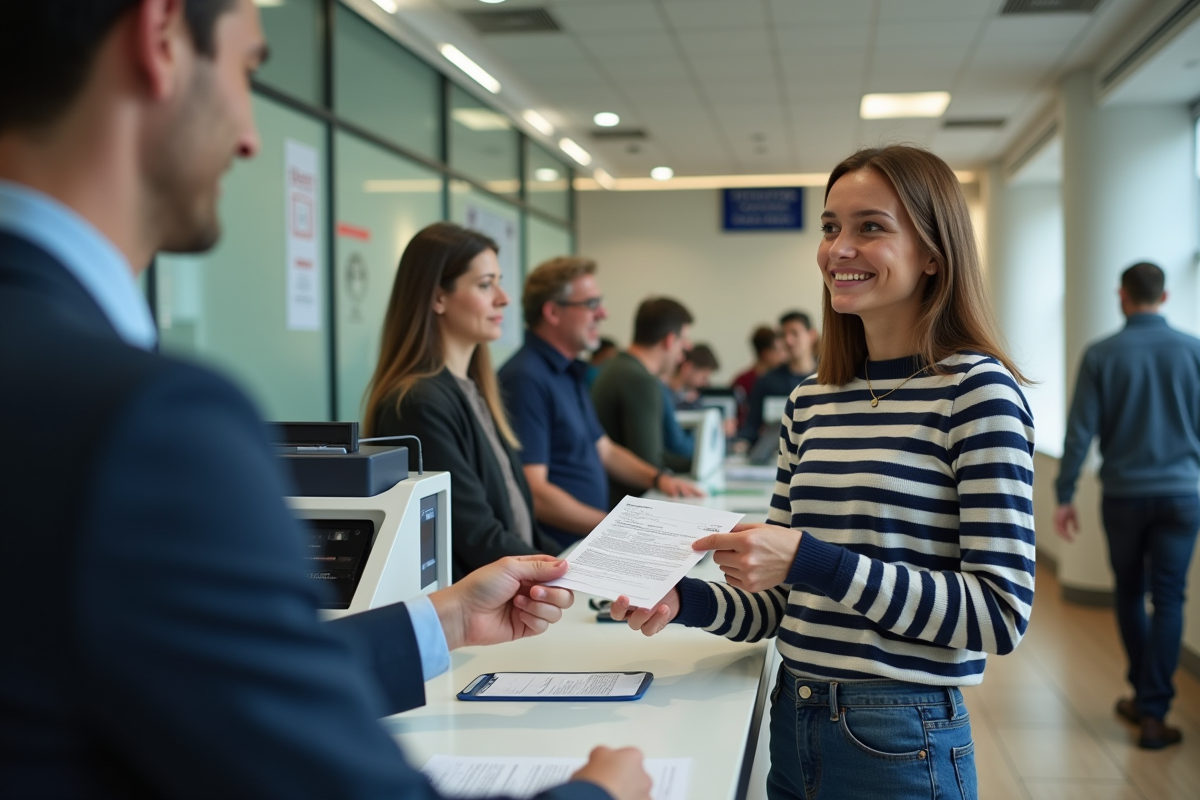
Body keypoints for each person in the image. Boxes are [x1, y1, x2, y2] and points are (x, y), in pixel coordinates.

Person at [0, 3, 652, 799]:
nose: (250, 136)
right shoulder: (147, 423)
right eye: (247, 72)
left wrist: (438, 621)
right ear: (160, 39)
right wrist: (601, 793)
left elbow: (206, 683)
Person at [611, 145, 1036, 800]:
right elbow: (784, 603)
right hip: (796, 712)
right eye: (831, 226)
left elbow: (999, 613)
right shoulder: (811, 400)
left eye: (871, 226)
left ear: (933, 252)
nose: (839, 248)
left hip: (901, 731)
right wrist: (684, 601)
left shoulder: (978, 394)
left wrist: (816, 560)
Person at [1054, 262, 1200, 750]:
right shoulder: (1193, 351)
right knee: (1170, 598)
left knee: (1130, 592)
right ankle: (1154, 708)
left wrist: (1065, 494)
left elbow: (1079, 434)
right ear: (1165, 296)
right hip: (1182, 495)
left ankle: (1144, 695)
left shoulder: (1101, 354)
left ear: (1123, 296)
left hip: (1123, 496)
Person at [363, 223, 561, 579]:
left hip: (514, 592)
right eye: (485, 285)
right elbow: (477, 537)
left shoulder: (474, 389)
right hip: (478, 608)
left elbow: (518, 523)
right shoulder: (418, 403)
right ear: (438, 297)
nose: (503, 298)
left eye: (499, 282)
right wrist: (569, 571)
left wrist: (572, 560)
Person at [499, 257, 701, 548]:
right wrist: (615, 526)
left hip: (587, 538)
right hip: (558, 552)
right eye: (591, 305)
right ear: (553, 312)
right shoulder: (526, 379)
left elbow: (604, 450)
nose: (603, 314)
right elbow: (536, 493)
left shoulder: (567, 371)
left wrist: (659, 479)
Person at [591, 297, 697, 508]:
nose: (684, 351)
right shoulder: (640, 380)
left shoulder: (616, 367)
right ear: (669, 340)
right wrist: (697, 463)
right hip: (620, 506)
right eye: (682, 342)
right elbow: (650, 462)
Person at [737, 310, 818, 443]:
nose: (788, 340)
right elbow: (751, 428)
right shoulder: (766, 381)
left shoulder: (828, 379)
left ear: (811, 335)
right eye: (783, 335)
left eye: (794, 333)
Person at [731, 325, 783, 428]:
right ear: (766, 353)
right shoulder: (744, 381)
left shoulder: (740, 379)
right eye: (778, 350)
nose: (782, 355)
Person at [667, 344, 720, 410]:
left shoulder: (690, 398)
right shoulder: (663, 395)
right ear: (688, 368)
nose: (705, 383)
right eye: (704, 377)